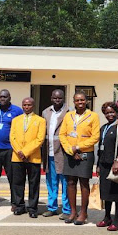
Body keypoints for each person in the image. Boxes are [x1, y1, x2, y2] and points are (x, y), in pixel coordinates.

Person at [59, 92, 100, 225]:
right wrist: (70, 149)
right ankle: (72, 212)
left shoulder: (93, 116)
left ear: (86, 101)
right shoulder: (68, 116)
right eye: (77, 100)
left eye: (82, 100)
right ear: (74, 102)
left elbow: (95, 137)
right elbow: (62, 134)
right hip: (70, 153)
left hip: (85, 155)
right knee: (70, 183)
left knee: (83, 183)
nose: (80, 102)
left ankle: (83, 212)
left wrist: (78, 147)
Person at [96, 102, 118, 231]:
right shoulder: (104, 127)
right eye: (107, 112)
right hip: (104, 164)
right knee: (106, 193)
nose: (109, 115)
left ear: (117, 112)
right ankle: (107, 217)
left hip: (117, 164)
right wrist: (98, 164)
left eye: (112, 112)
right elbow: (101, 147)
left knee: (117, 193)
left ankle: (117, 220)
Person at [0, 90, 24, 208]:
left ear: (10, 97)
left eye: (5, 97)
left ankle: (15, 202)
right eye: (0, 97)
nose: (2, 99)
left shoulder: (17, 111)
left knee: (13, 176)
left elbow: (20, 128)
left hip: (10, 149)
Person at [10, 98, 46, 218]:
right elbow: (12, 137)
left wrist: (26, 152)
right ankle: (19, 206)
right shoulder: (16, 120)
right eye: (24, 105)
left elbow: (40, 139)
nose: (26, 107)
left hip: (33, 157)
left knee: (33, 183)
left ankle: (32, 208)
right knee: (18, 183)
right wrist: (20, 152)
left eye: (29, 105)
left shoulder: (40, 120)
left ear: (33, 106)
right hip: (17, 157)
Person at [41, 89, 72, 219]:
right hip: (49, 152)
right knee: (51, 182)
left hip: (63, 153)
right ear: (51, 98)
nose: (57, 100)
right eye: (55, 98)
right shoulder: (45, 112)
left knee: (65, 182)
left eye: (59, 98)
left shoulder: (69, 112)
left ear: (63, 98)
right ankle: (52, 207)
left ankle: (67, 209)